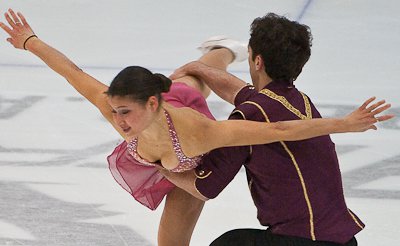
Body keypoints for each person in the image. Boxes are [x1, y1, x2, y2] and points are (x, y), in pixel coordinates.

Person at [0, 10, 393, 246]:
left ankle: (212, 58)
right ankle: (221, 50)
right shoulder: (116, 106)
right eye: (116, 112)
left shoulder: (203, 130)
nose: (119, 123)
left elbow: (280, 132)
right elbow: (73, 73)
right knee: (188, 75)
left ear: (153, 104)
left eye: (127, 114)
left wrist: (346, 123)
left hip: (188, 161)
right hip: (169, 137)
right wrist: (29, 40)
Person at [161, 13, 395, 246]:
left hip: (301, 242)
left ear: (258, 61)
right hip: (344, 241)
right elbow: (240, 93)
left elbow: (205, 187)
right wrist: (199, 68)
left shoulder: (250, 114)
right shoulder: (299, 101)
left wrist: (158, 164)